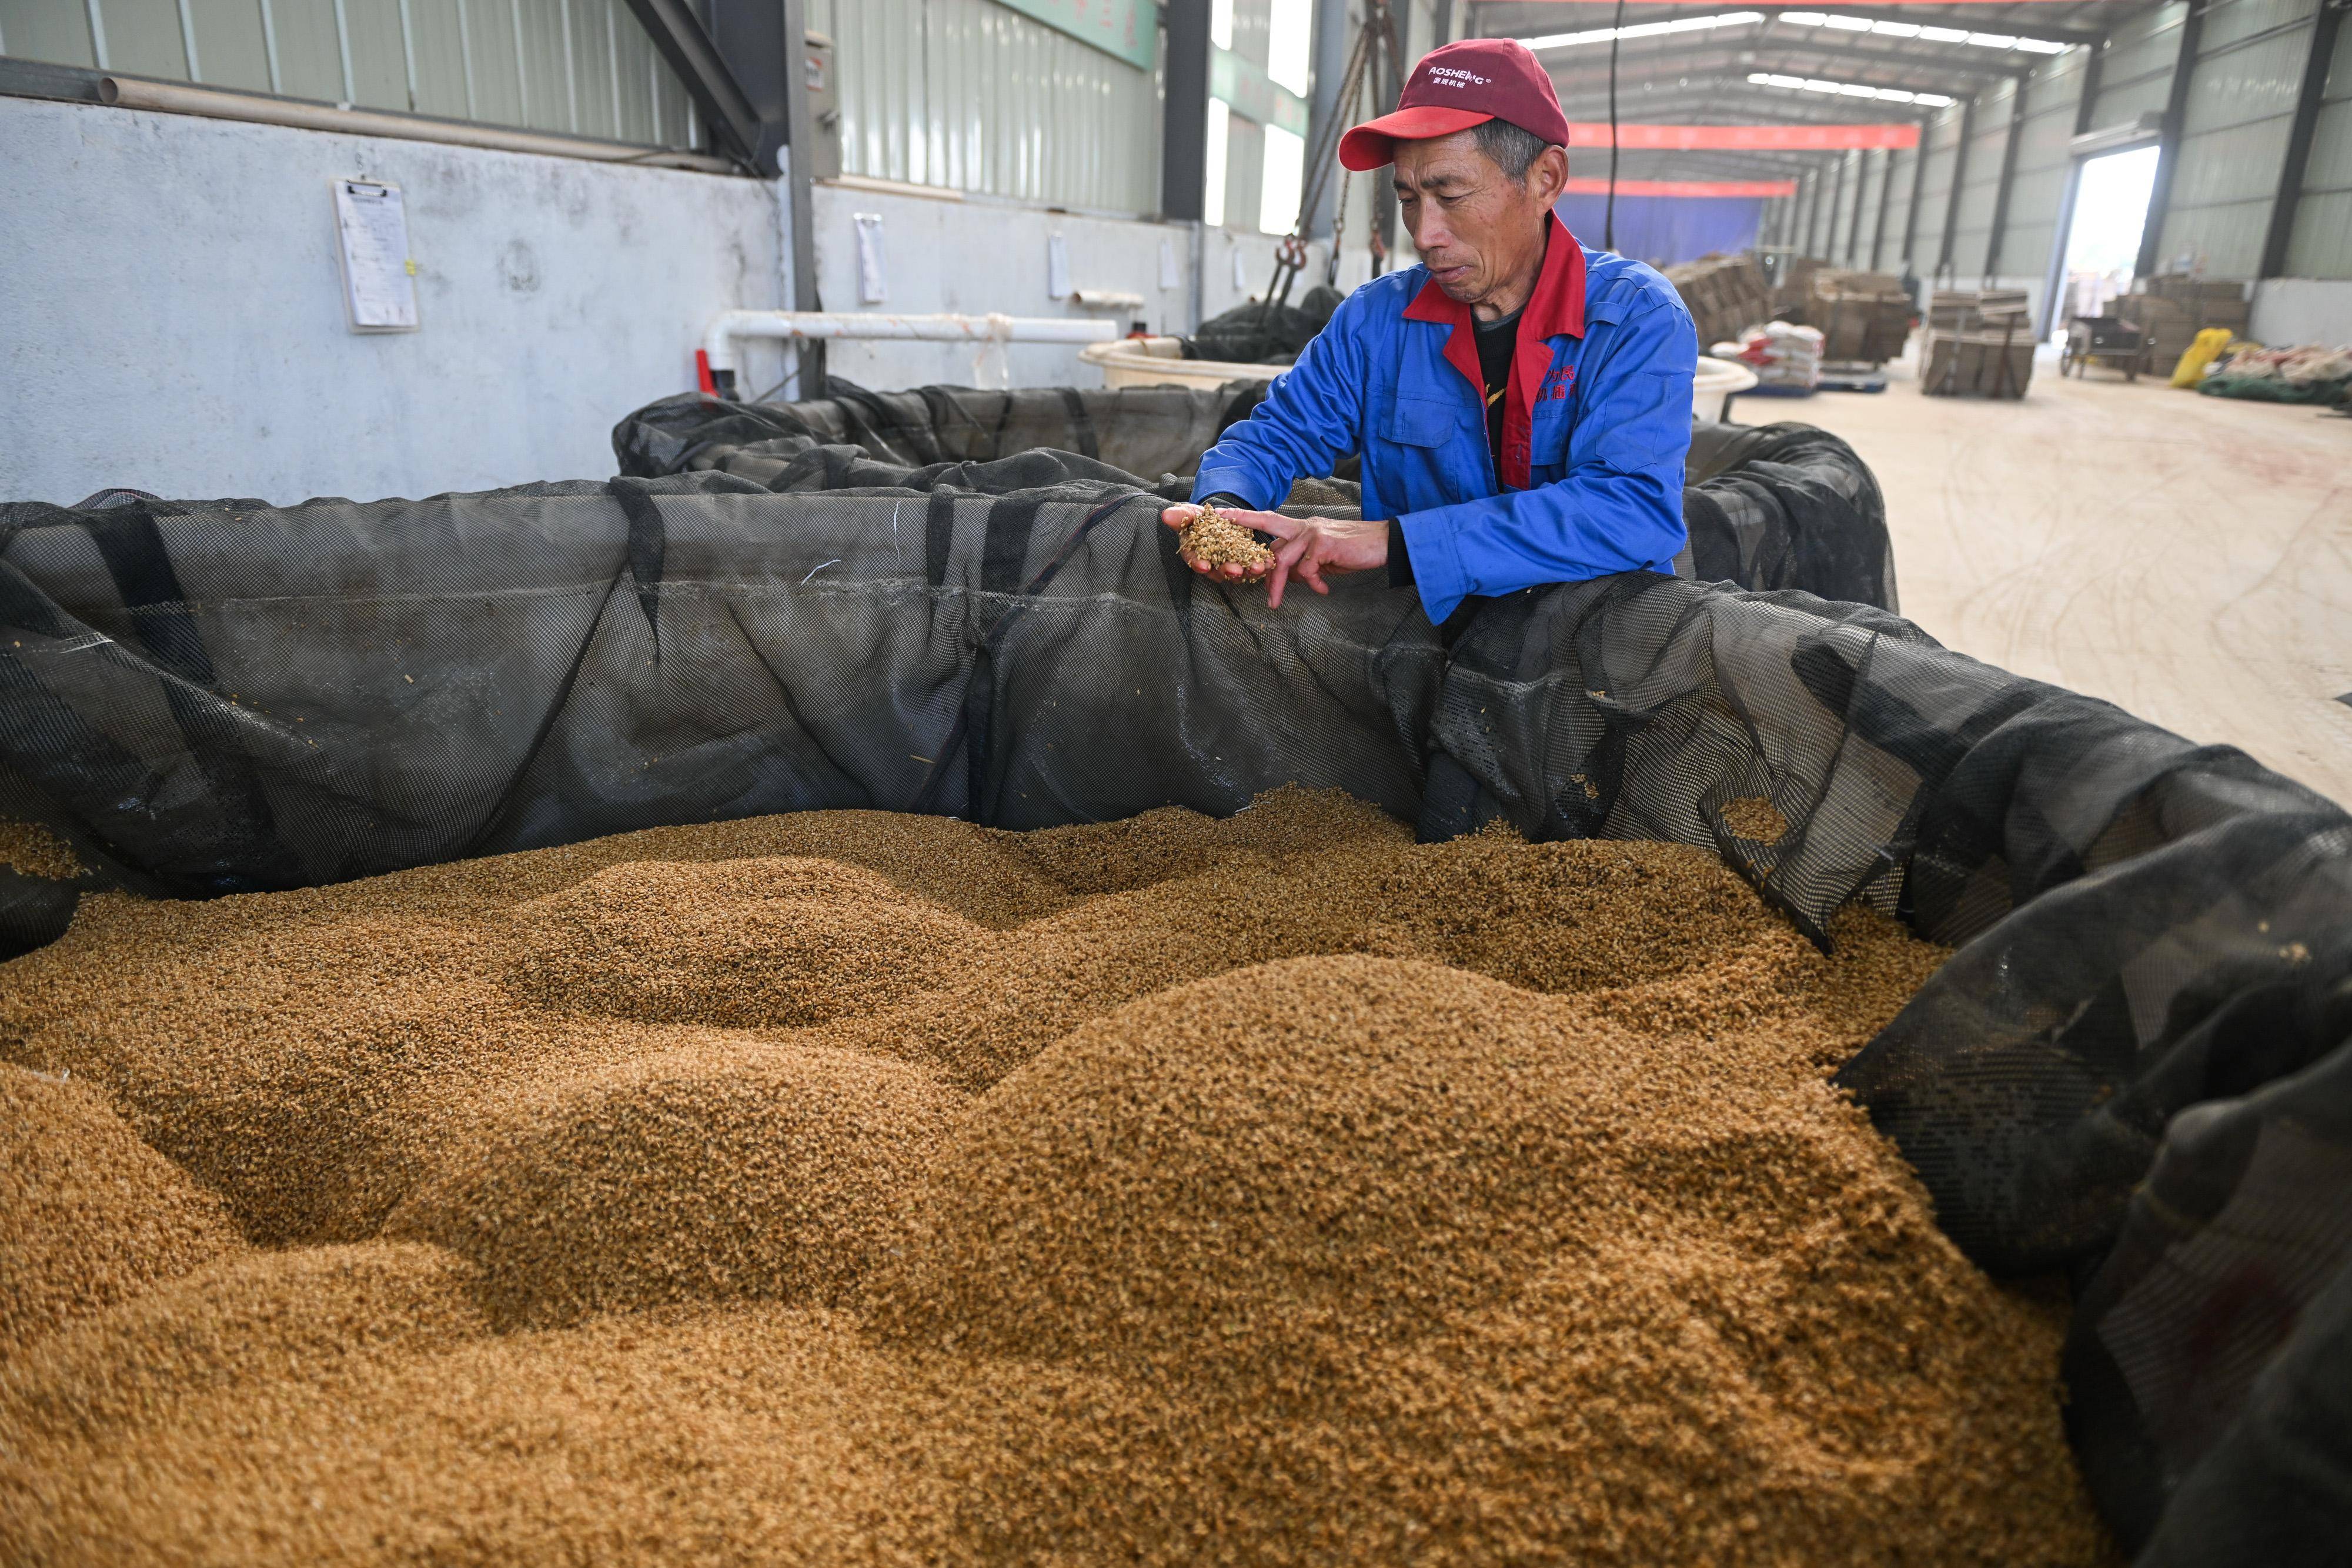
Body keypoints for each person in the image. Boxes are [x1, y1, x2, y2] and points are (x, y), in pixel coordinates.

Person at [1164, 38, 1698, 631]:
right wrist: (1223, 510)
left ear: (1545, 178)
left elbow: (1630, 511)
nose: (1424, 233)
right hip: (1427, 645)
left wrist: (1399, 544)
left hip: (1591, 655)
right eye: (1409, 199)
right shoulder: (1377, 320)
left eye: (1449, 195)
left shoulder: (1635, 317)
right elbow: (1276, 435)